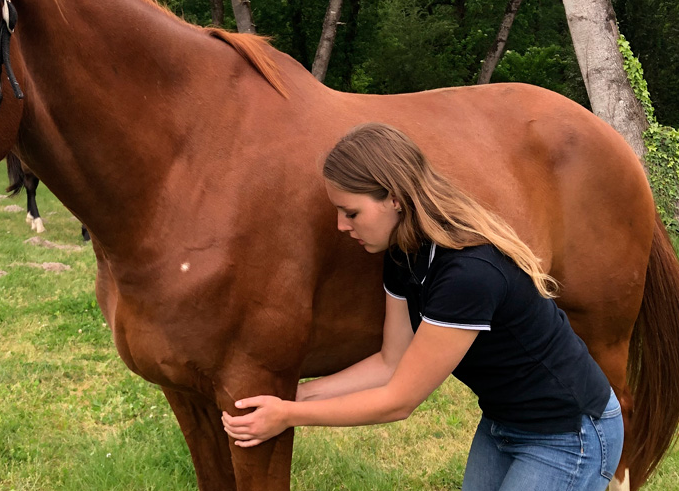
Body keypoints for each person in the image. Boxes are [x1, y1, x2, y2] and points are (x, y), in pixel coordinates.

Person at [221, 123, 623, 491]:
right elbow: (390, 361)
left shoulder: (467, 274)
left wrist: (288, 416)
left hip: (572, 432)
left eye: (351, 212)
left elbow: (400, 399)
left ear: (394, 199)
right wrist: (298, 396)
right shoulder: (403, 254)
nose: (342, 226)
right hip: (505, 423)